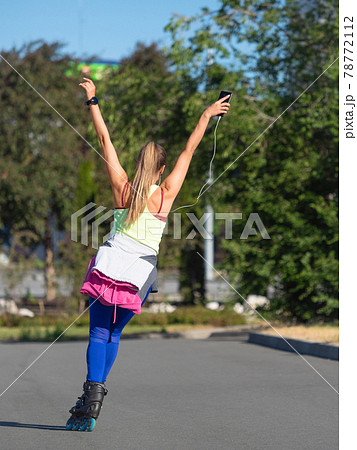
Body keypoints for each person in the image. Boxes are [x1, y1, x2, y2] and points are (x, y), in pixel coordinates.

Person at [65, 77, 230, 431]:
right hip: (141, 268)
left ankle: (91, 396)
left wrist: (93, 101)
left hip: (111, 260)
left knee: (97, 332)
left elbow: (105, 140)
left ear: (139, 163)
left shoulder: (122, 186)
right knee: (113, 334)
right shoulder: (167, 192)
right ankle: (95, 395)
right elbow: (190, 150)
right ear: (162, 169)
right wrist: (206, 115)